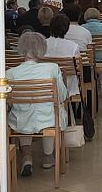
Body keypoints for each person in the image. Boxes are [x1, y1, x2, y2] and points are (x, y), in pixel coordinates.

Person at [8, 32, 69, 176]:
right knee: (51, 111)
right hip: (49, 119)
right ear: (42, 49)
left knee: (22, 113)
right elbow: (62, 96)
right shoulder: (52, 68)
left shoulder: (10, 73)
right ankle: (48, 156)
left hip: (21, 120)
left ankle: (27, 157)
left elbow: (8, 102)